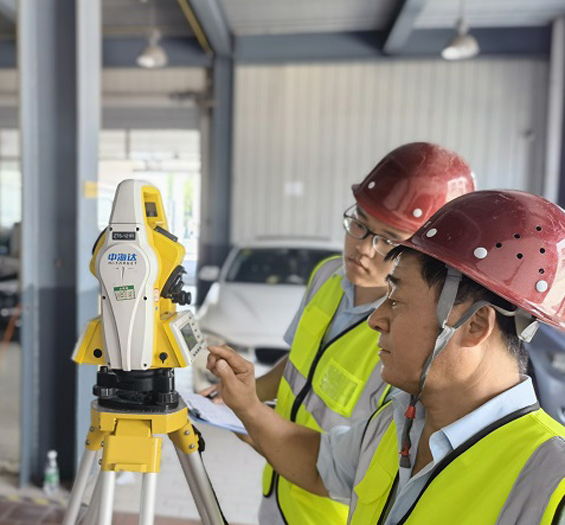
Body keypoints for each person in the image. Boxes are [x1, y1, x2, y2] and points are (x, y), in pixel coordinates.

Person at [208, 189, 565, 525]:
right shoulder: (397, 422)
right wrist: (248, 407)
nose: (376, 320)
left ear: (474, 325)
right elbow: (320, 466)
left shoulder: (551, 483)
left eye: (397, 300)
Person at [201, 142, 475, 524]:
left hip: (330, 510)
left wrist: (254, 417)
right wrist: (238, 395)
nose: (362, 249)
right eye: (359, 224)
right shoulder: (327, 275)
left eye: (388, 240)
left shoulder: (417, 338)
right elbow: (299, 361)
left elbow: (371, 458)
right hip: (277, 488)